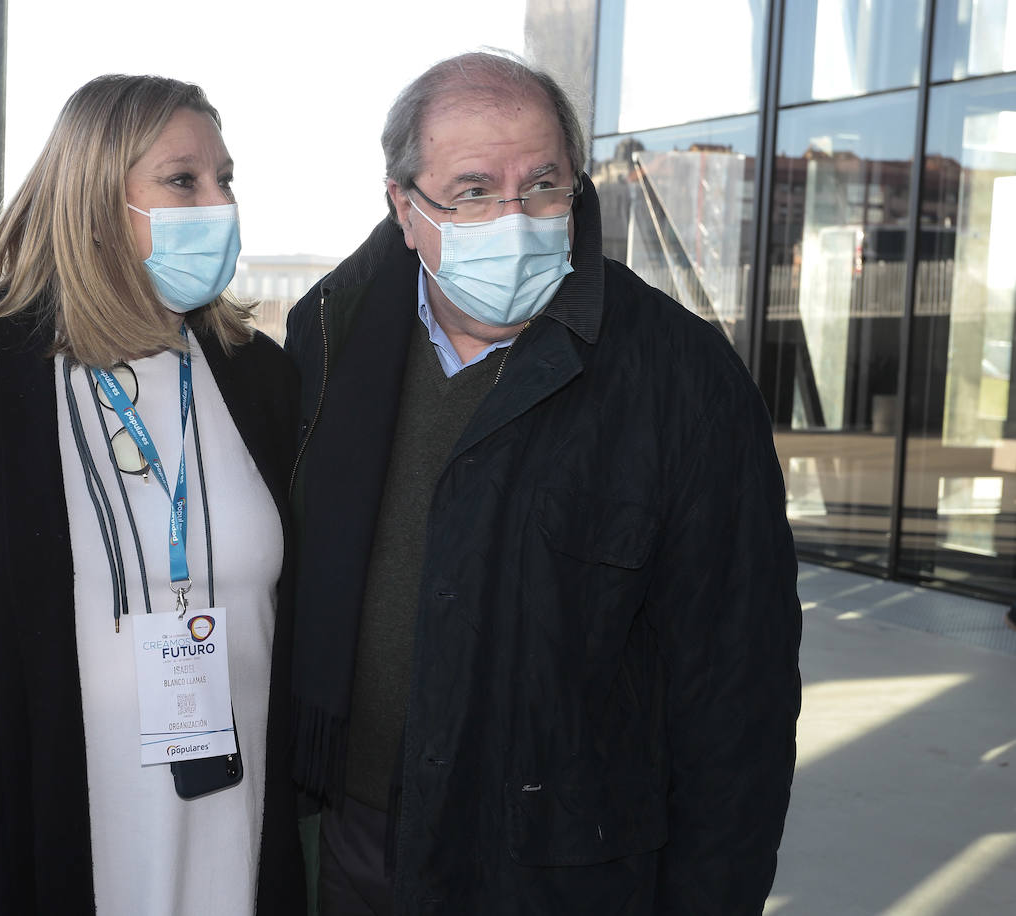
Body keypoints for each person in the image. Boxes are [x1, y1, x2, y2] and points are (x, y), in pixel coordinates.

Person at [284, 51, 802, 915]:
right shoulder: (329, 339)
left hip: (558, 871)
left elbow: (736, 695)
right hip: (353, 840)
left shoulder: (681, 378)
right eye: (475, 190)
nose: (516, 218)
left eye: (545, 185)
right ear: (404, 208)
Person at [0, 75, 305, 915]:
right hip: (31, 856)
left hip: (236, 840)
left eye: (225, 178)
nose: (218, 203)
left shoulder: (259, 380)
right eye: (182, 180)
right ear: (91, 199)